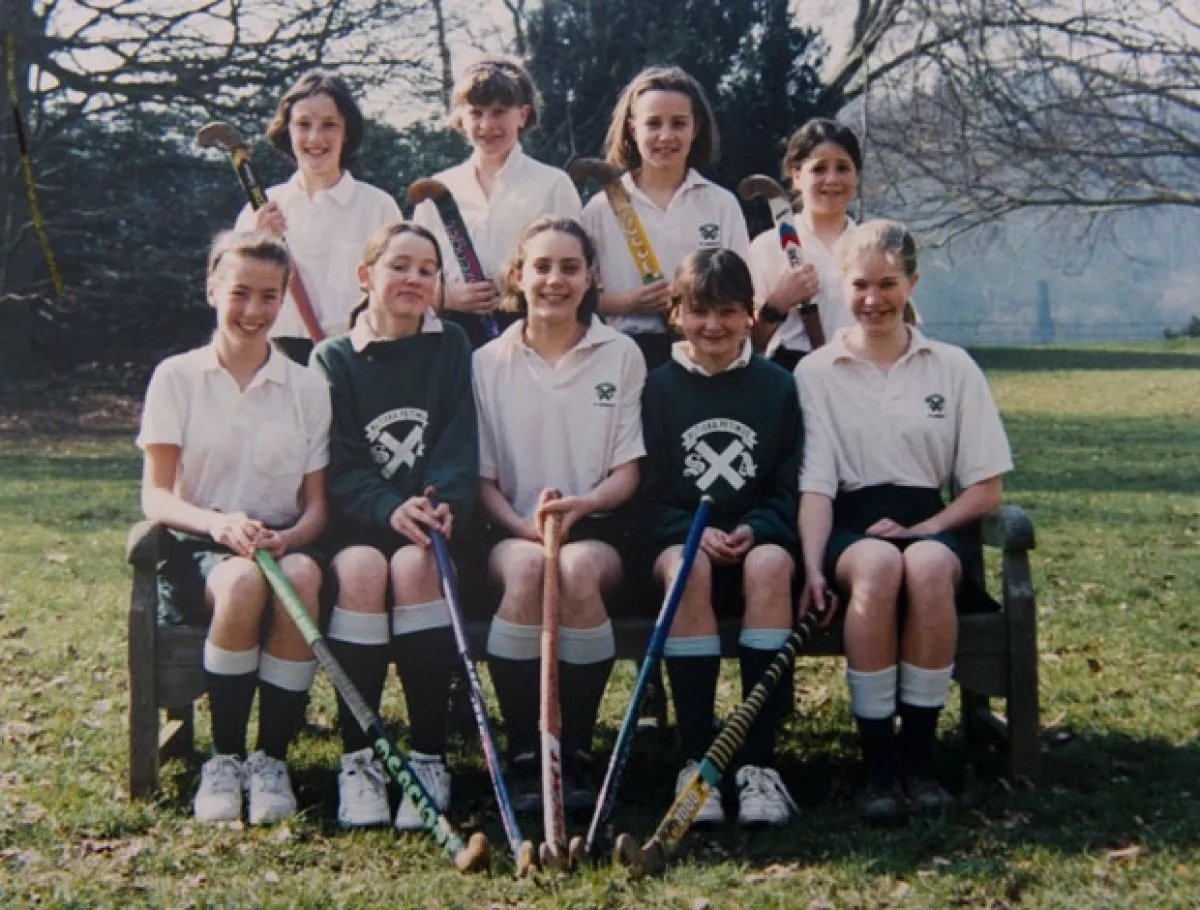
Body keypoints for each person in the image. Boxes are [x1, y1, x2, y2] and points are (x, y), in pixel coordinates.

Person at [795, 219, 1013, 822]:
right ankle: (878, 766)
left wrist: (926, 528)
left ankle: (919, 758)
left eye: (888, 283)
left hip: (933, 518)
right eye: (861, 284)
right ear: (843, 287)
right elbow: (815, 484)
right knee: (877, 567)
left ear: (912, 283)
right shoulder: (816, 371)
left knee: (925, 567)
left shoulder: (953, 366)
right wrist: (813, 567)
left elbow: (986, 487)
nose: (874, 299)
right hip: (851, 525)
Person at [138, 231, 330, 824]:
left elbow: (317, 508)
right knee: (243, 584)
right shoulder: (177, 376)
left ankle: (270, 759)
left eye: (269, 296)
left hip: (280, 543)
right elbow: (157, 495)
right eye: (239, 293)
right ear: (212, 290)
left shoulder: (307, 386)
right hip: (201, 546)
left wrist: (291, 537)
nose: (253, 311)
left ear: (283, 301)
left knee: (300, 576)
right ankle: (224, 759)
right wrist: (218, 525)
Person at [473, 216, 645, 813]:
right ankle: (527, 749)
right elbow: (483, 480)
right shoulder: (487, 361)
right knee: (527, 571)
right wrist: (524, 526)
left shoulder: (620, 354)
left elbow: (628, 471)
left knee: (573, 573)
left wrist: (586, 505)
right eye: (541, 267)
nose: (555, 280)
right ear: (517, 275)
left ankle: (571, 748)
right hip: (511, 524)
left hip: (596, 523)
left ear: (592, 276)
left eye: (570, 267)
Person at [310, 222, 477, 830]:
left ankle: (429, 755)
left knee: (417, 564)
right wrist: (388, 507)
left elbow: (460, 440)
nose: (413, 279)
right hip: (364, 523)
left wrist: (442, 501)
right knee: (359, 569)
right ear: (366, 276)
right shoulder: (332, 358)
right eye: (399, 265)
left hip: (431, 526)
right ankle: (361, 758)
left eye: (427, 269)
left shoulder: (451, 344)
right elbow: (342, 461)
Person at [641, 248, 803, 826]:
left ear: (749, 314)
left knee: (770, 567)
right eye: (700, 311)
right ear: (676, 313)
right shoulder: (656, 388)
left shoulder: (777, 386)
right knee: (689, 568)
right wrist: (693, 531)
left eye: (730, 311)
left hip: (754, 540)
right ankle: (696, 760)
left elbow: (789, 484)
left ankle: (758, 765)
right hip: (682, 543)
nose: (714, 326)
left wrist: (755, 528)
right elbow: (650, 490)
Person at [582, 65, 751, 372]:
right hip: (619, 353)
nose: (666, 136)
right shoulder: (601, 208)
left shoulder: (720, 203)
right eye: (653, 123)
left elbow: (741, 295)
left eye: (678, 123)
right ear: (633, 129)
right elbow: (580, 299)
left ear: (695, 128)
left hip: (699, 355)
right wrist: (628, 302)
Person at [412, 55, 582, 349]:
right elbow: (414, 267)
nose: (487, 125)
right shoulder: (438, 189)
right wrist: (447, 296)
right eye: (476, 113)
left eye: (499, 112)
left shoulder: (552, 184)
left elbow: (576, 266)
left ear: (523, 115)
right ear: (460, 119)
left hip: (529, 329)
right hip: (451, 333)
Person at [236, 70, 402, 364]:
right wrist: (257, 243)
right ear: (287, 130)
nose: (315, 138)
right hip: (274, 359)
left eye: (329, 125)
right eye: (303, 124)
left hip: (355, 359)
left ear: (346, 131)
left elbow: (396, 294)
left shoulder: (378, 206)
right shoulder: (261, 210)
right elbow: (235, 294)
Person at [749, 119, 862, 373]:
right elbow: (747, 344)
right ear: (796, 175)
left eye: (843, 168)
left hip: (860, 374)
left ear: (856, 175)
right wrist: (778, 303)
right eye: (819, 169)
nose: (831, 179)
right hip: (790, 373)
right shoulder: (767, 247)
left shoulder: (871, 245)